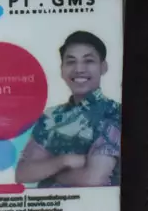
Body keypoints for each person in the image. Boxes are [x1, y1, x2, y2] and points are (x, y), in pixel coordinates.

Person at [15, 31, 121, 188]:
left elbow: (93, 179)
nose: (79, 69)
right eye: (71, 62)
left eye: (88, 61)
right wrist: (65, 161)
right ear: (62, 69)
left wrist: (50, 174)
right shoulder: (51, 117)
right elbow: (22, 173)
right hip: (50, 203)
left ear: (103, 67)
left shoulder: (114, 113)